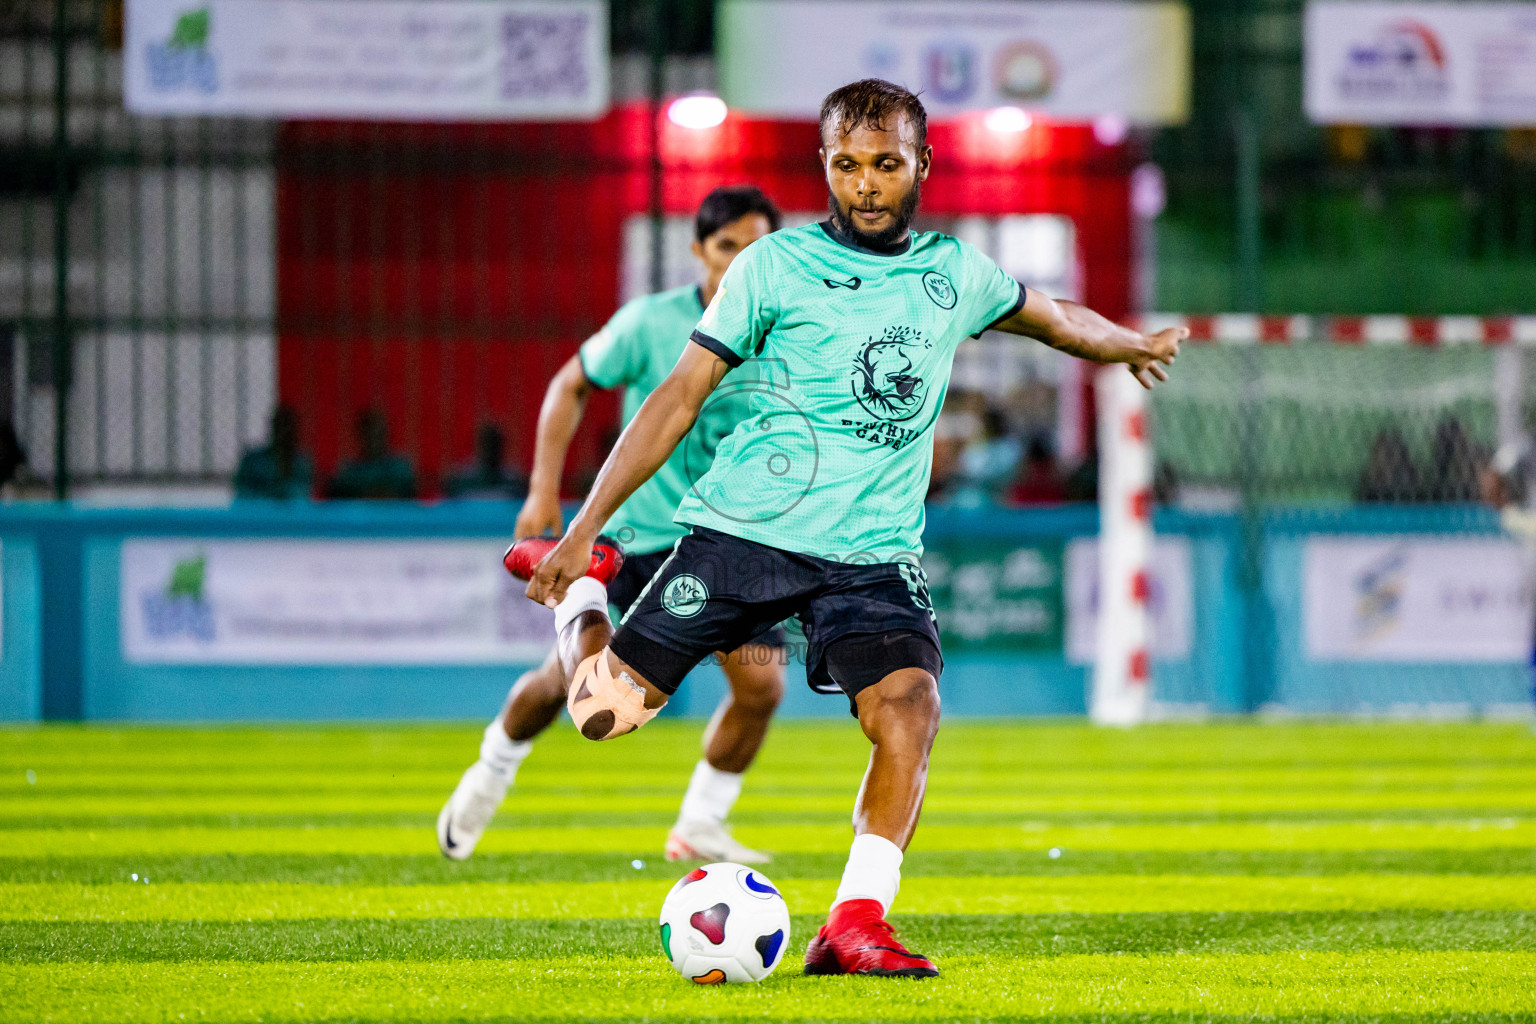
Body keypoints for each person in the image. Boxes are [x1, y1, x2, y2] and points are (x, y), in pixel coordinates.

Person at [511, 79, 1181, 978]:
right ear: (824, 166)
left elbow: (1054, 318)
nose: (866, 183)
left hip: (869, 559)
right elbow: (677, 398)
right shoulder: (772, 267)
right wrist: (582, 529)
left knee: (910, 709)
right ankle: (590, 586)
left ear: (921, 166)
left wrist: (1126, 343)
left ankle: (854, 922)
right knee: (600, 714)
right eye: (847, 165)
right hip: (741, 535)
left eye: (886, 164)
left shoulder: (954, 275)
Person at [439, 185, 788, 865]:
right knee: (582, 693)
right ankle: (489, 774)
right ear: (698, 251)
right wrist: (544, 490)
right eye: (726, 248)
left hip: (720, 543)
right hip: (635, 537)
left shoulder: (785, 335)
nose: (740, 262)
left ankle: (700, 823)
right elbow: (571, 382)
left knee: (763, 683)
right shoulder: (649, 323)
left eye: (756, 249)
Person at [326, 408, 416, 500]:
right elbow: (338, 500)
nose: (375, 440)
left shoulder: (400, 469)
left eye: (379, 434)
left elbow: (411, 498)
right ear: (361, 436)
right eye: (370, 434)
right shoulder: (351, 473)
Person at [233, 406, 313, 500]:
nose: (283, 434)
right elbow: (243, 491)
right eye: (280, 427)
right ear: (273, 429)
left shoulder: (301, 464)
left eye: (287, 429)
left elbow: (301, 493)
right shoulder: (254, 462)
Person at [443, 423, 529, 500]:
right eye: (486, 444)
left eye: (494, 445)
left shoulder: (515, 482)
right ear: (478, 446)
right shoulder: (459, 481)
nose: (490, 449)